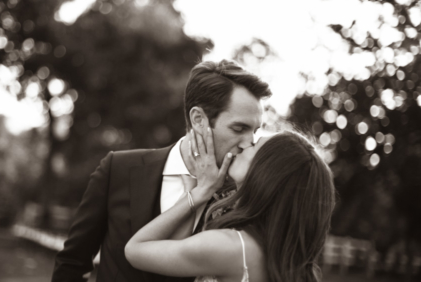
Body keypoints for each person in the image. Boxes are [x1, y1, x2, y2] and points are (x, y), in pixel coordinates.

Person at [51, 60, 272, 282]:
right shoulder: (118, 169)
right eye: (239, 128)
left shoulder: (245, 199)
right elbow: (72, 263)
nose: (248, 143)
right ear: (198, 120)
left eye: (254, 131)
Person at [125, 128, 336, 282]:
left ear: (267, 172)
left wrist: (199, 192)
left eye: (254, 145)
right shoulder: (282, 256)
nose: (244, 144)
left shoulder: (227, 246)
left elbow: (135, 250)